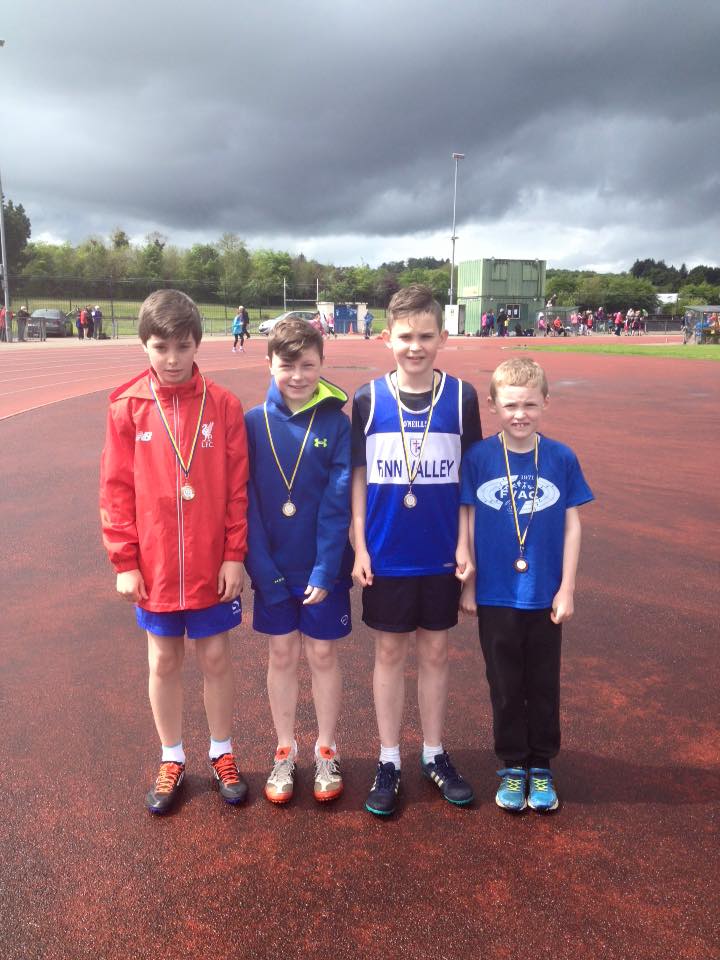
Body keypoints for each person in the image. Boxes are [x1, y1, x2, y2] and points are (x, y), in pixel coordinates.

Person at [99, 289, 250, 815]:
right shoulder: (127, 406)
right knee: (164, 659)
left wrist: (235, 553)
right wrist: (124, 560)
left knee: (214, 656)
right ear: (144, 345)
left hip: (211, 560)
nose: (171, 358)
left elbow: (236, 487)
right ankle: (171, 756)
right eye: (160, 346)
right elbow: (116, 488)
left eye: (181, 346)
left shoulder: (224, 404)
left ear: (196, 345)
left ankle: (222, 751)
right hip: (157, 563)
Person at [351, 283, 482, 816]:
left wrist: (465, 547)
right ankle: (389, 759)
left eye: (426, 336)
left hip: (440, 554)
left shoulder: (462, 396)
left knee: (434, 652)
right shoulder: (366, 398)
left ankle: (433, 752)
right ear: (388, 338)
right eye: (405, 336)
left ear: (442, 337)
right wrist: (359, 546)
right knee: (388, 653)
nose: (415, 346)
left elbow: (469, 483)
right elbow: (358, 479)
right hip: (385, 553)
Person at [459, 357, 593, 813]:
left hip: (543, 593)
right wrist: (468, 583)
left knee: (543, 682)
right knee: (504, 683)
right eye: (511, 405)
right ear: (493, 405)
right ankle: (513, 765)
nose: (521, 414)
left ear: (545, 404)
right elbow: (468, 519)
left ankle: (542, 766)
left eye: (530, 405)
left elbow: (573, 527)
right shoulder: (478, 457)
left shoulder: (560, 457)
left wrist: (567, 588)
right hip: (495, 594)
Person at [244, 318, 353, 805]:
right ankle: (285, 750)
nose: (297, 374)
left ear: (321, 365)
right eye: (287, 364)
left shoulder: (336, 422)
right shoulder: (251, 423)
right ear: (269, 363)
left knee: (323, 654)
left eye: (308, 364)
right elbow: (244, 502)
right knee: (282, 654)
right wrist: (263, 572)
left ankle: (326, 748)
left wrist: (326, 570)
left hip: (321, 567)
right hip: (271, 566)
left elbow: (337, 503)